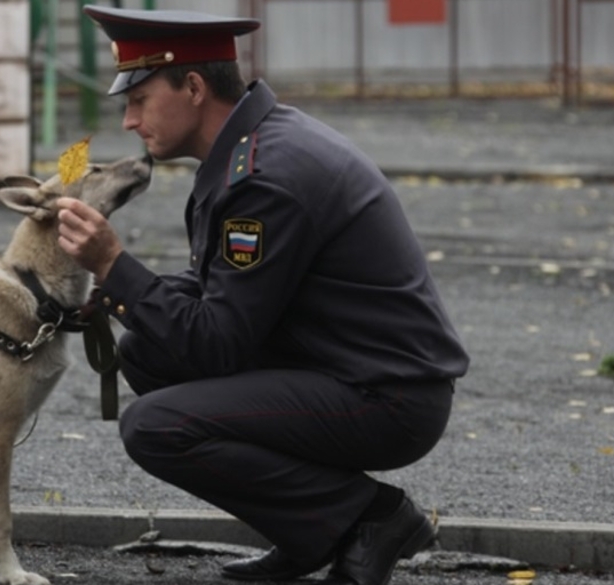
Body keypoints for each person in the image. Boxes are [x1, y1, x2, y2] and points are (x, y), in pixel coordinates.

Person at [56, 6, 470, 585]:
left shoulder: (264, 177)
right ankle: (310, 532)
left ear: (193, 87)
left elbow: (217, 343)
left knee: (153, 427)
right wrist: (117, 292)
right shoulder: (254, 147)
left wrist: (112, 264)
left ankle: (371, 518)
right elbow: (227, 291)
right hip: (341, 366)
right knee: (147, 352)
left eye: (140, 100)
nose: (128, 121)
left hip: (386, 398)